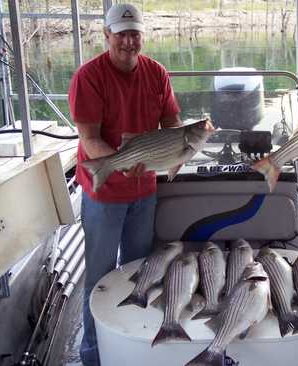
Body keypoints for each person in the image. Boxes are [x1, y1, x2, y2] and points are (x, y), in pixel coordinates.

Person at [68, 4, 181, 365]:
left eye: (135, 34)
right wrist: (119, 165)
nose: (129, 42)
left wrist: (183, 143)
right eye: (121, 34)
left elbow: (172, 120)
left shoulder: (157, 73)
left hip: (144, 190)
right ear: (106, 34)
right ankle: (94, 355)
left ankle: (132, 348)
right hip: (104, 191)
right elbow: (89, 139)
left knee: (138, 272)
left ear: (142, 36)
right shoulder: (89, 77)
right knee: (99, 276)